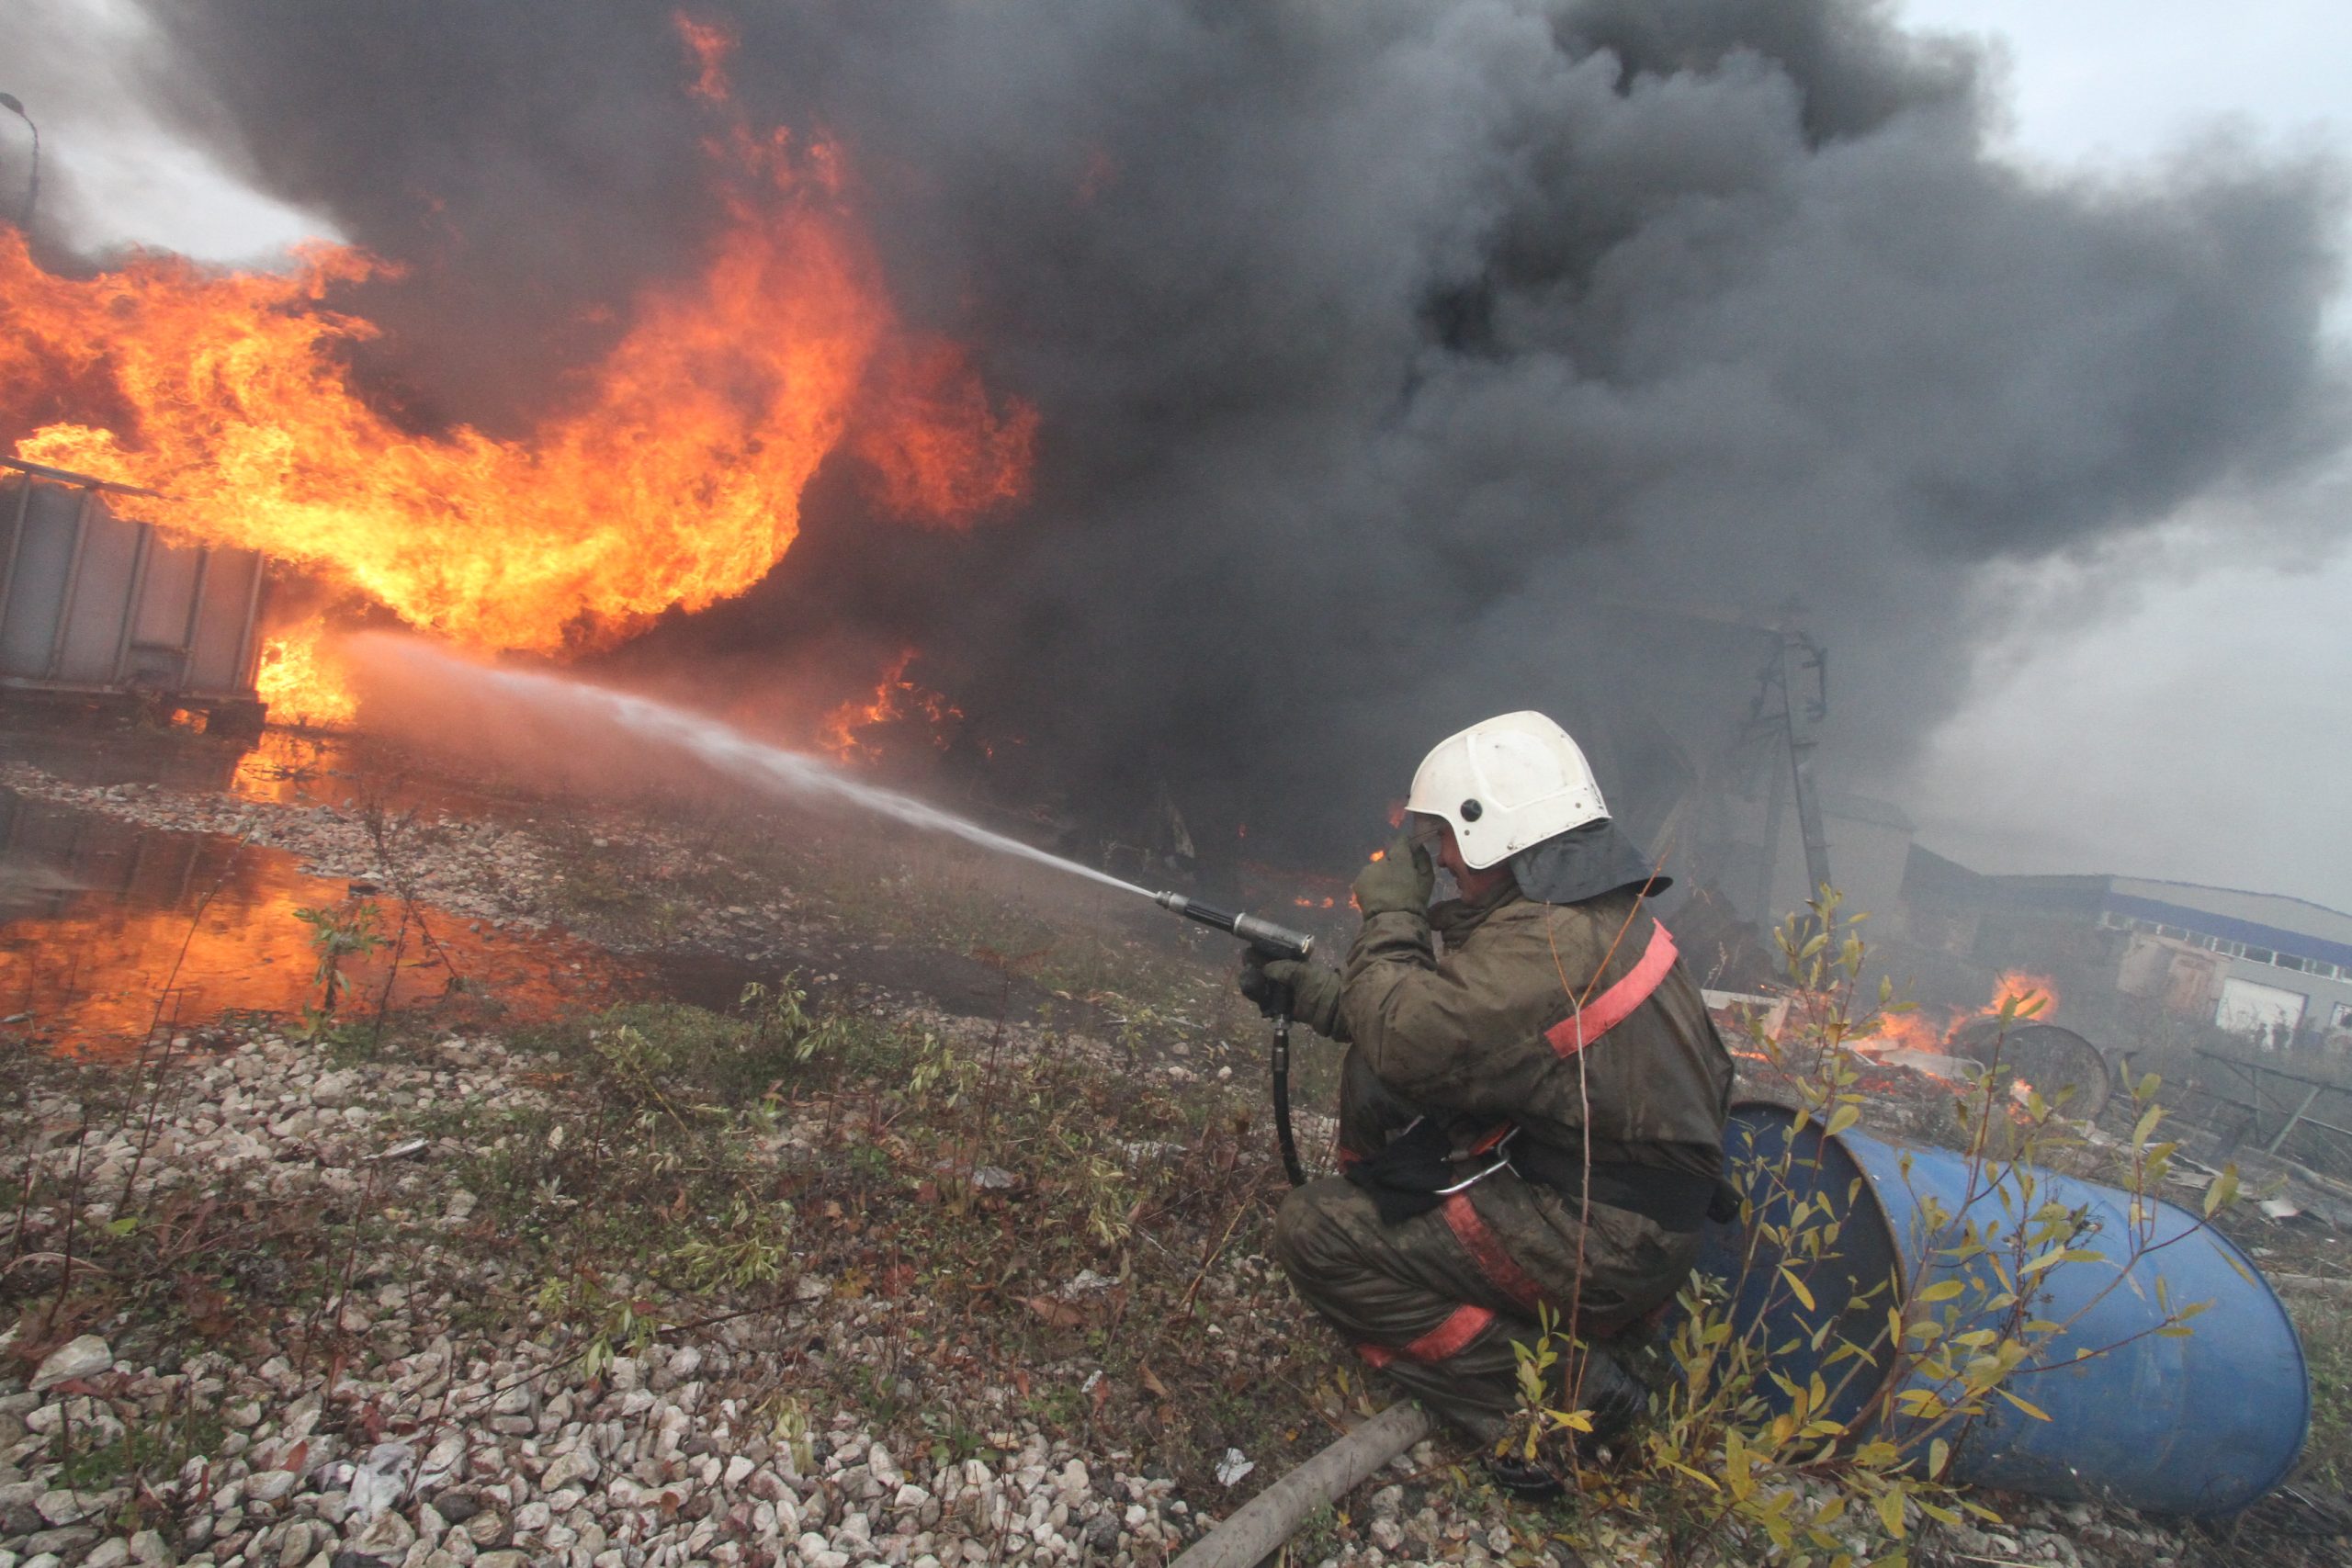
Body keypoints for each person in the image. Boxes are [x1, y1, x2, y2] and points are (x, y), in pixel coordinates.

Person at [1240, 711, 1734, 1496]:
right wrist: (1318, 997)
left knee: (1314, 1233)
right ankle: (1459, 1267)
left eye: (1445, 842)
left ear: (1494, 834)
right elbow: (1474, 1040)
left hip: (1598, 1240)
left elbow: (1413, 1038)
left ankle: (1567, 1396)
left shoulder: (1548, 945)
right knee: (1381, 1072)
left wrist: (1393, 915)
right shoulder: (1588, 920)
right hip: (1614, 1213)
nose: (1437, 860)